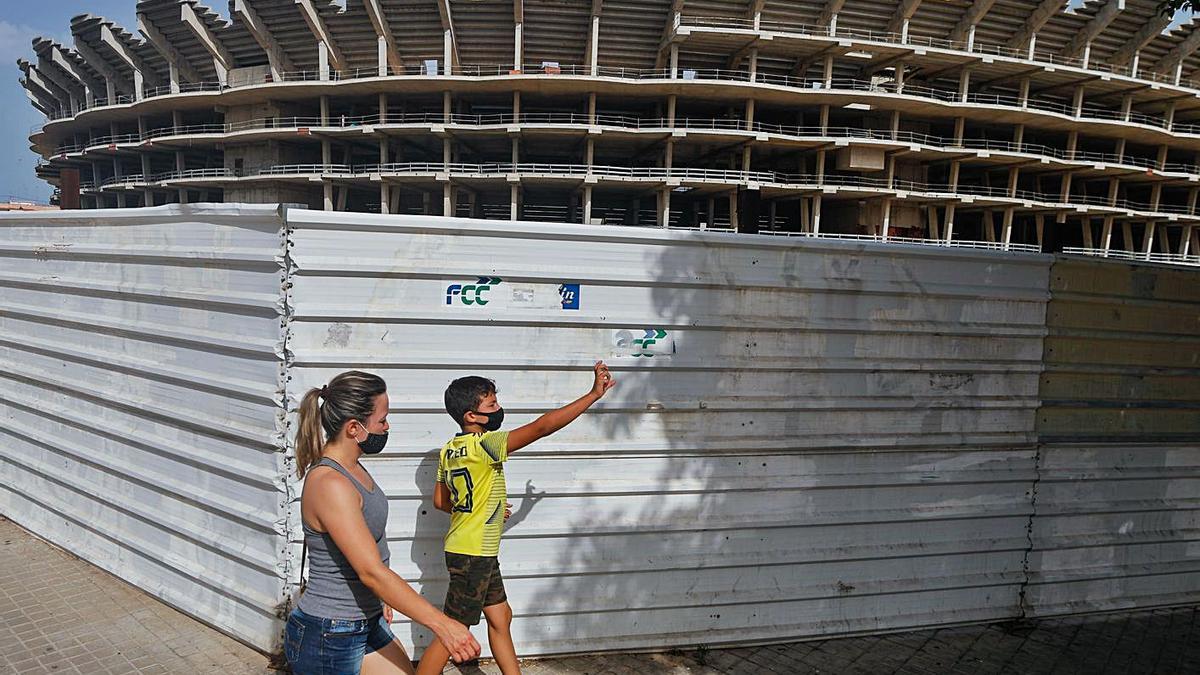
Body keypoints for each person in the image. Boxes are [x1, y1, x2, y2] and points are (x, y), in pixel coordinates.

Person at [415, 361, 616, 675]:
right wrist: (592, 395)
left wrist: (484, 508)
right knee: (451, 630)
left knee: (501, 617)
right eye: (492, 404)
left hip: (470, 548)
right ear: (471, 415)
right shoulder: (486, 445)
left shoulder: (448, 450)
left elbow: (441, 501)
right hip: (474, 553)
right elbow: (541, 427)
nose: (498, 409)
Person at [285, 370, 481, 675]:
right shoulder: (330, 484)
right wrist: (444, 625)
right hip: (330, 634)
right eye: (382, 420)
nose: (387, 427)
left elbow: (370, 543)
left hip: (365, 619)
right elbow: (370, 571)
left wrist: (381, 597)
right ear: (354, 428)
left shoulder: (352, 469)